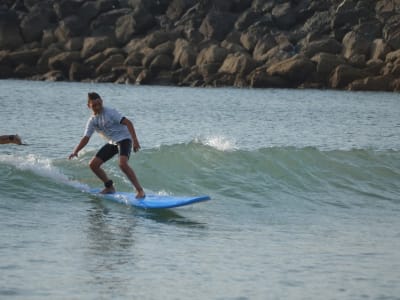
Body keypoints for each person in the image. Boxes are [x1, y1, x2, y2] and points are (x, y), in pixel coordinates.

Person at [69, 92, 145, 198]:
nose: (98, 107)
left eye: (99, 103)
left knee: (122, 164)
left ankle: (140, 191)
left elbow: (128, 123)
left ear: (102, 101)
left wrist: (135, 141)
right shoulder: (92, 120)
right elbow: (86, 138)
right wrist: (75, 151)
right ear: (89, 106)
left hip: (124, 139)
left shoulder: (110, 112)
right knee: (93, 165)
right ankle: (109, 187)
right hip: (113, 142)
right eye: (94, 105)